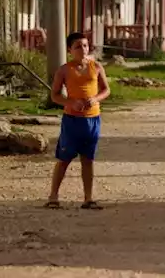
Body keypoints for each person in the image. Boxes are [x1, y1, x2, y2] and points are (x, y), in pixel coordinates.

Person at [45, 32, 110, 210]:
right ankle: (53, 196)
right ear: (69, 50)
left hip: (92, 120)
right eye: (78, 46)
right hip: (72, 120)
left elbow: (106, 90)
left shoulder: (96, 67)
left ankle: (88, 198)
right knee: (64, 159)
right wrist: (71, 102)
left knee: (88, 159)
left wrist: (95, 99)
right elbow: (55, 95)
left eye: (85, 45)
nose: (83, 49)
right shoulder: (64, 70)